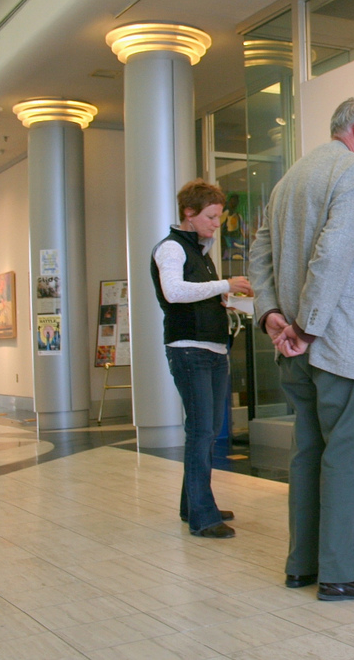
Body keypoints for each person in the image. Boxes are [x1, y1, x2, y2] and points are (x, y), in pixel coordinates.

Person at [248, 97, 354, 601]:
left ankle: (305, 564)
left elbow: (261, 254)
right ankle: (344, 572)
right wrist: (308, 326)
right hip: (342, 342)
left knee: (309, 452)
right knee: (352, 455)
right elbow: (333, 253)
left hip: (295, 348)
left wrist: (273, 316)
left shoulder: (290, 178)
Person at [150, 179, 252, 539]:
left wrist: (225, 298)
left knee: (204, 432)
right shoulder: (171, 249)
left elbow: (197, 294)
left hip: (211, 349)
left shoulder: (200, 249)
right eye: (210, 217)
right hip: (188, 350)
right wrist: (226, 285)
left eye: (218, 217)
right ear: (189, 214)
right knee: (201, 431)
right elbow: (174, 292)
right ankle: (203, 516)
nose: (215, 224)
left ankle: (194, 503)